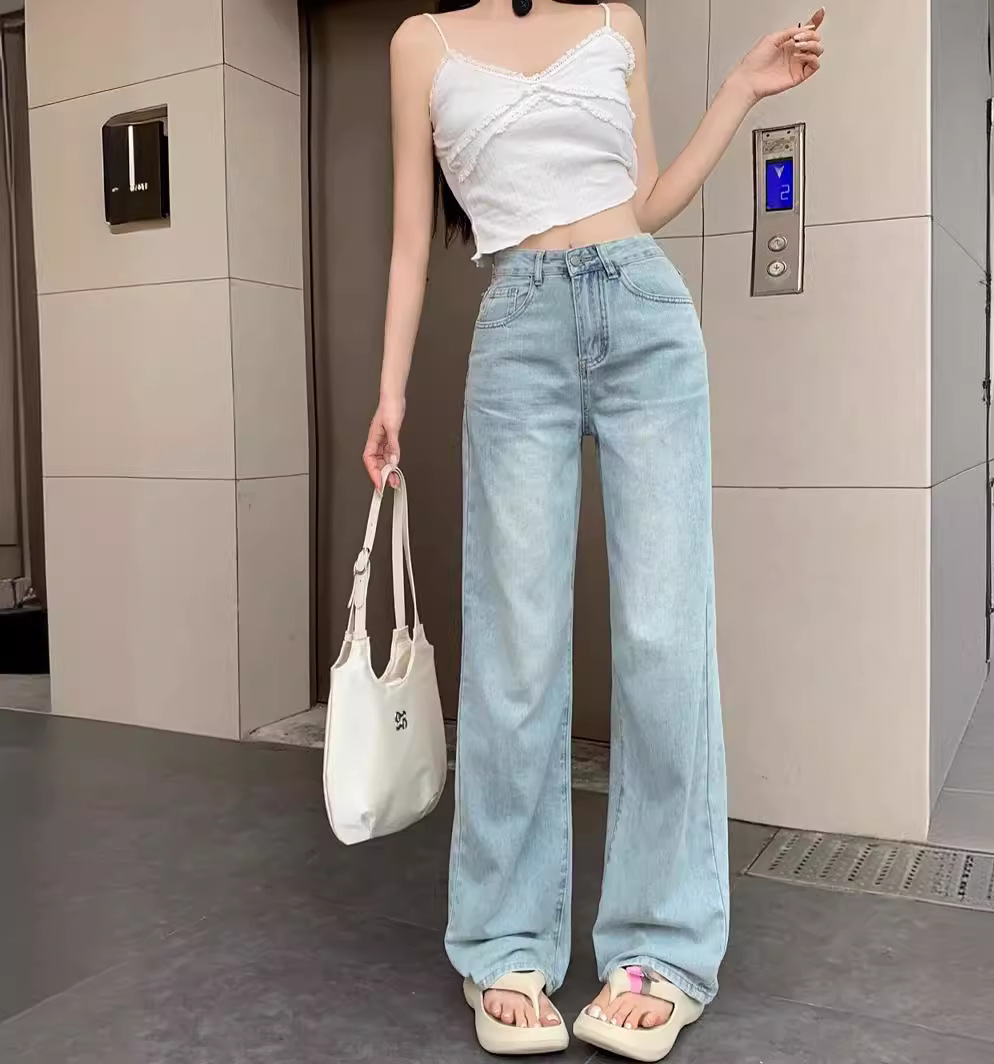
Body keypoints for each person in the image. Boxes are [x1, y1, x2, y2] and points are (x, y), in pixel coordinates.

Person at [363, 1, 825, 1058]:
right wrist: (389, 393)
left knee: (664, 640)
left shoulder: (618, 22)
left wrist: (739, 91)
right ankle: (505, 941)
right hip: (517, 325)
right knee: (516, 651)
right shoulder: (420, 44)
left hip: (645, 315)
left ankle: (661, 947)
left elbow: (645, 198)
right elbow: (409, 240)